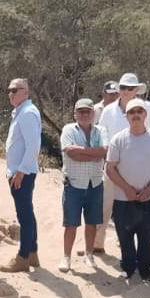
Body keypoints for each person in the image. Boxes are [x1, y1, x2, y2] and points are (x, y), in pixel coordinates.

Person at [103, 100, 150, 284]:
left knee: (145, 236)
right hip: (123, 198)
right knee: (125, 235)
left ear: (145, 115)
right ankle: (128, 268)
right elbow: (110, 168)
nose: (136, 115)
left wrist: (148, 190)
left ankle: (145, 270)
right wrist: (127, 189)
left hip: (146, 198)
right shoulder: (118, 139)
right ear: (126, 116)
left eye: (139, 111)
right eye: (132, 112)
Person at [58, 99, 107, 274]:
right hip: (74, 183)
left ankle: (89, 254)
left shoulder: (101, 131)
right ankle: (66, 256)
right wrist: (94, 154)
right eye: (81, 111)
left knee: (92, 222)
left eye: (88, 111)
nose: (85, 114)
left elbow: (105, 151)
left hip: (95, 183)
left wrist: (82, 150)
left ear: (93, 114)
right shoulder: (68, 130)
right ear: (75, 114)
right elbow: (71, 154)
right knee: (70, 223)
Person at [0, 79, 43, 273]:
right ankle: (32, 253)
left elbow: (33, 146)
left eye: (15, 90)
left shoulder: (27, 113)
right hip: (19, 171)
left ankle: (23, 257)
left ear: (26, 92)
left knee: (24, 215)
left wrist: (21, 171)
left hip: (22, 173)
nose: (11, 93)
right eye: (9, 90)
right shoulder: (21, 111)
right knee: (27, 213)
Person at [99, 74, 150, 143]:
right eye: (123, 87)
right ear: (119, 89)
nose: (126, 91)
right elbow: (101, 135)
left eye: (130, 88)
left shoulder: (146, 107)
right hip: (116, 151)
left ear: (136, 90)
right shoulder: (108, 110)